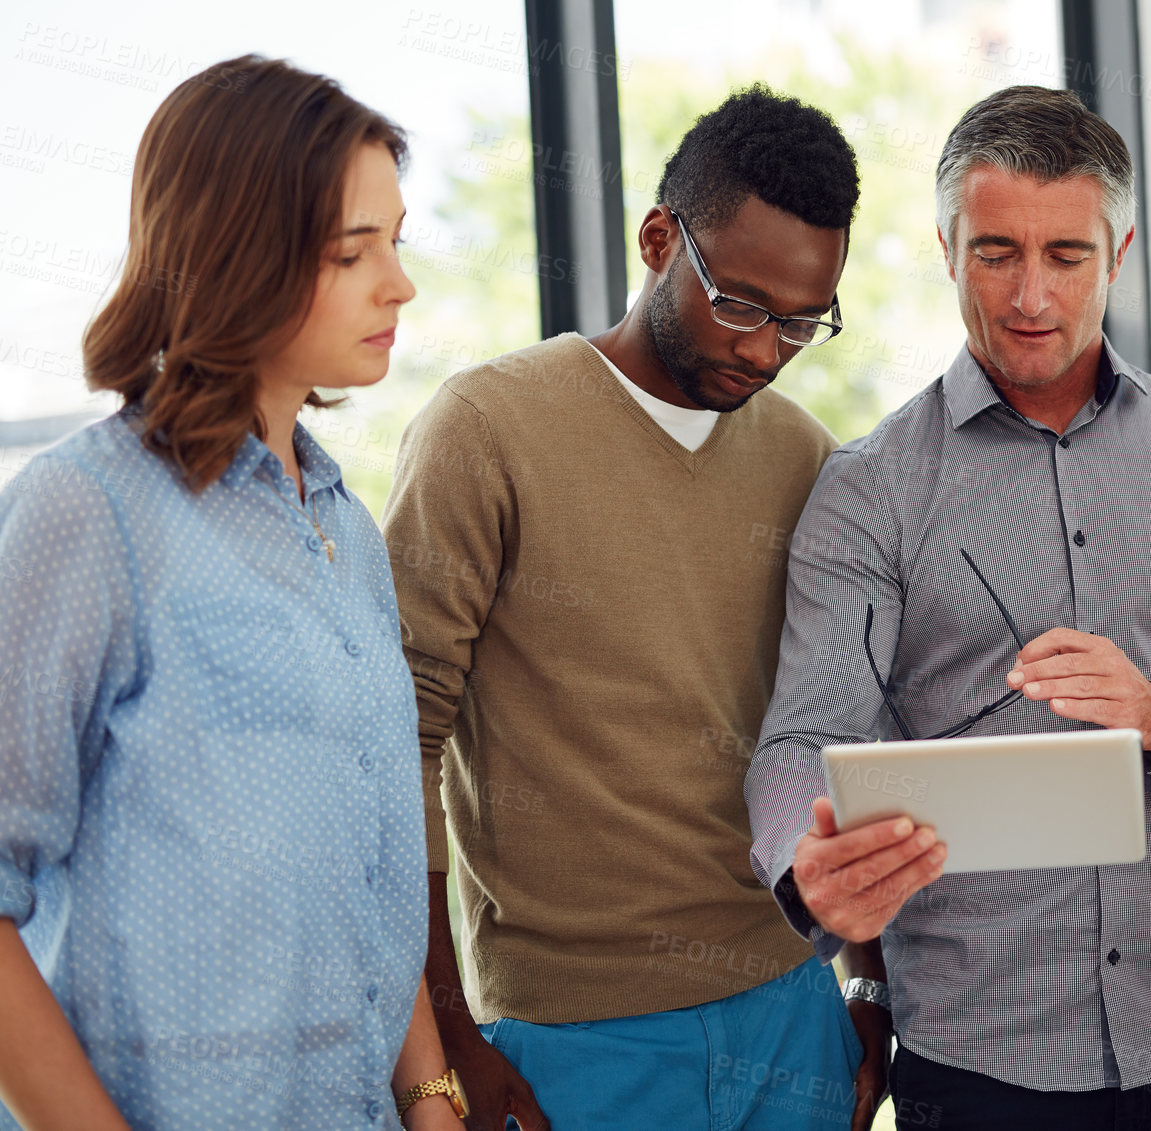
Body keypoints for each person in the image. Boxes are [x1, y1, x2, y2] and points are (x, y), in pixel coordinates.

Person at [744, 85, 1151, 1131]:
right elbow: (804, 735)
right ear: (946, 247)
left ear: (1120, 251)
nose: (1030, 297)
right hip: (979, 1060)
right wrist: (807, 872)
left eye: (1067, 256)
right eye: (995, 252)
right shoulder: (868, 488)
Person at [383, 86, 878, 1131]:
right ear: (659, 239)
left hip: (793, 1011)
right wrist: (444, 1033)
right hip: (572, 1038)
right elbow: (398, 747)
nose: (760, 350)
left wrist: (869, 987)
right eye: (739, 303)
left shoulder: (803, 456)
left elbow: (849, 733)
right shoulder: (486, 428)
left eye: (799, 322)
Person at [0, 55, 465, 1130]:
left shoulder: (348, 527)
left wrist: (432, 1102)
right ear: (239, 252)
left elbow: (370, 871)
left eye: (395, 244)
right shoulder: (88, 511)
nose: (398, 285)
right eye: (357, 252)